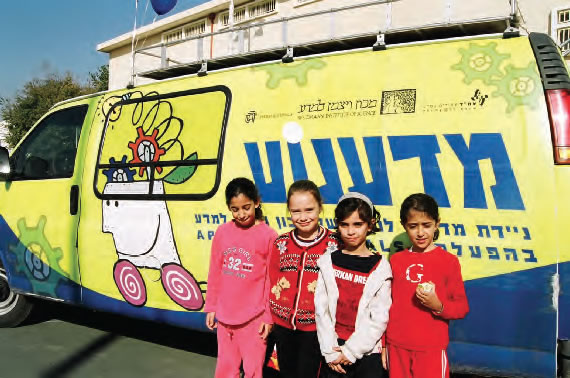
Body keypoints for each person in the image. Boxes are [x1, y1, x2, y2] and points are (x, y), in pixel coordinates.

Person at [384, 193, 469, 378]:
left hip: (431, 348)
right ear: (404, 226)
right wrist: (383, 344)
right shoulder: (396, 260)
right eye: (413, 226)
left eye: (427, 225)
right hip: (396, 346)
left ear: (437, 223)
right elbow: (385, 305)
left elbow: (461, 307)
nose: (420, 232)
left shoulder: (449, 261)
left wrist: (437, 306)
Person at [204, 177, 277, 378]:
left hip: (254, 320)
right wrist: (211, 307)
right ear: (229, 208)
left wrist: (268, 316)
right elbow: (215, 271)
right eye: (235, 209)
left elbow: (272, 280)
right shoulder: (222, 232)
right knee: (226, 370)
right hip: (225, 319)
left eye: (246, 207)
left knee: (254, 371)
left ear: (256, 202)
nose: (242, 214)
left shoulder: (268, 236)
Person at [315, 192, 392, 378]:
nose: (351, 231)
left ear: (370, 225)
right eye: (344, 224)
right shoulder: (327, 262)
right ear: (337, 225)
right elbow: (321, 309)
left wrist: (351, 351)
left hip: (365, 354)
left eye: (358, 224)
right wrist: (331, 352)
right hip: (333, 351)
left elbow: (379, 318)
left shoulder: (381, 267)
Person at [268, 180, 339, 378]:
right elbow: (271, 281)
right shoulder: (281, 243)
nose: (303, 217)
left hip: (316, 330)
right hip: (282, 327)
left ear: (320, 208)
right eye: (296, 211)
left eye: (309, 209)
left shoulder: (335, 244)